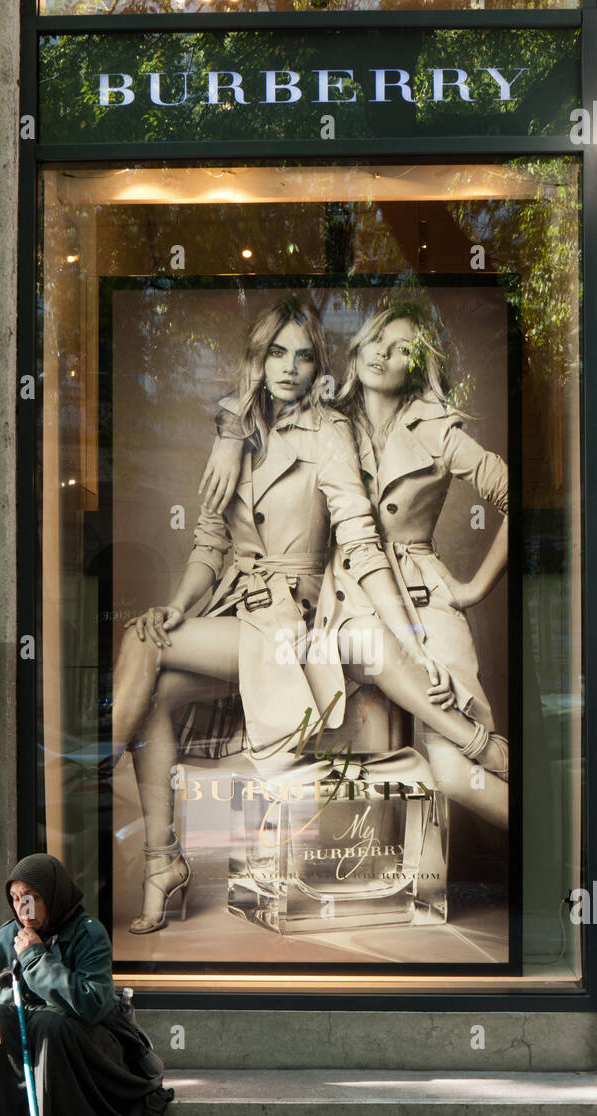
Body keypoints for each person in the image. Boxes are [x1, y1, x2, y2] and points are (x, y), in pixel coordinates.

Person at [109, 296, 455, 933]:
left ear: (317, 367)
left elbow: (357, 533)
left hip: (291, 625)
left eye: (303, 356)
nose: (290, 367)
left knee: (142, 645)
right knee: (154, 676)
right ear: (258, 359)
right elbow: (208, 545)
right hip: (233, 611)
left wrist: (406, 629)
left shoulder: (328, 431)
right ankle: (163, 860)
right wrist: (177, 608)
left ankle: (90, 769)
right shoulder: (236, 434)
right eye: (277, 352)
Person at [199, 299, 510, 829]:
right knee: (357, 740)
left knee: (458, 776)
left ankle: (561, 864)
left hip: (418, 600)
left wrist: (476, 587)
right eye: (375, 341)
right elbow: (262, 383)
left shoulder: (436, 431)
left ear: (418, 364)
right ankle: (382, 872)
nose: (383, 354)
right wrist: (229, 436)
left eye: (402, 348)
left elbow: (512, 492)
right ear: (357, 347)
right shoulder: (333, 417)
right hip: (345, 603)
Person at [0, 853, 171, 1116]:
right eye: (15, 899)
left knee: (49, 1022)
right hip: (38, 1038)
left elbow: (92, 1004)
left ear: (54, 895)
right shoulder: (6, 936)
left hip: (92, 1042)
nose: (22, 909)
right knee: (10, 1016)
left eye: (32, 898)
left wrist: (36, 958)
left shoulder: (88, 933)